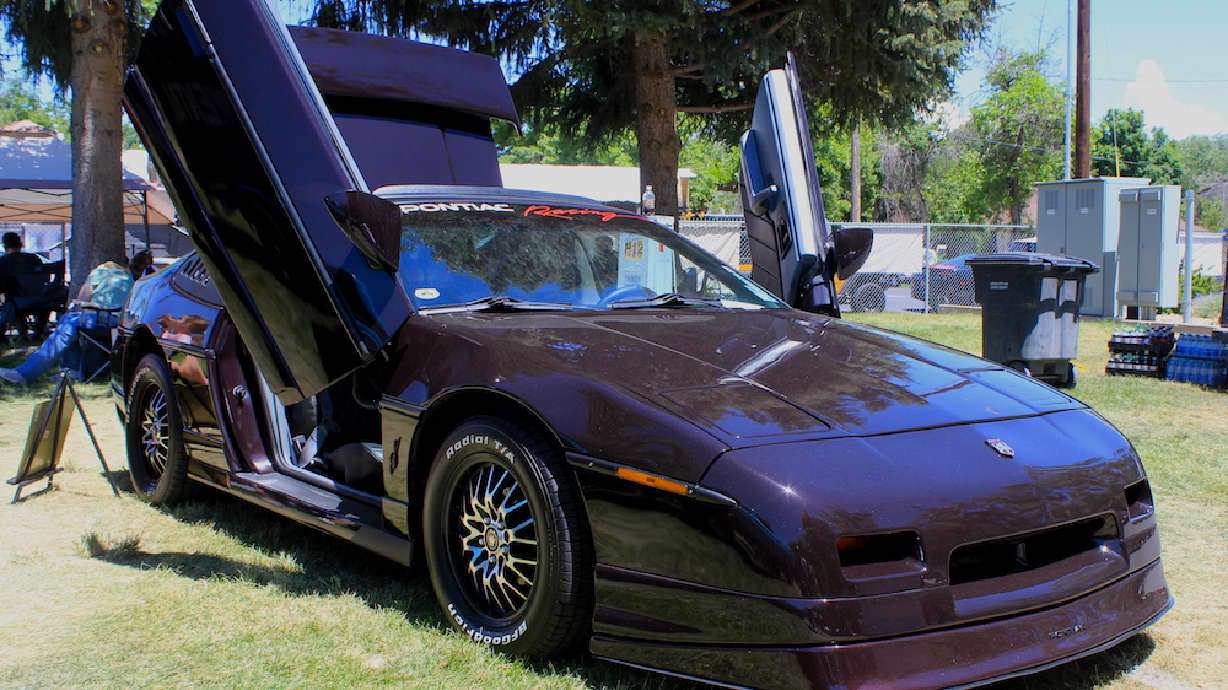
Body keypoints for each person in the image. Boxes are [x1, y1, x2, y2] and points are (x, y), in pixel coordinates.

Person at [0, 256, 137, 385]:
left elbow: (81, 302)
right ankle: (70, 370)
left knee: (68, 320)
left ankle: (27, 373)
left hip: (99, 322)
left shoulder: (99, 272)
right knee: (71, 323)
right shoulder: (131, 279)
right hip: (121, 327)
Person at [0, 232, 48, 340]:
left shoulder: (3, 262)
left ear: (5, 246)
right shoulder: (34, 259)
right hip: (40, 299)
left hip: (16, 301)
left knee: (11, 300)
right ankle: (38, 332)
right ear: (20, 245)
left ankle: (23, 334)